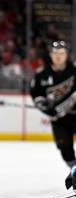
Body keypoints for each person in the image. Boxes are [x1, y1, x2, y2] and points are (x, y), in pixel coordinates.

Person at [30, 40, 76, 172]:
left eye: (61, 53)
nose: (58, 56)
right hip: (59, 120)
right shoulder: (41, 75)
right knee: (64, 147)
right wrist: (43, 104)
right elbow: (36, 94)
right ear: (50, 55)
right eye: (55, 53)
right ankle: (74, 172)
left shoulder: (74, 70)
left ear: (67, 54)